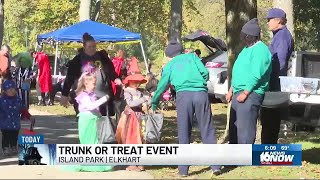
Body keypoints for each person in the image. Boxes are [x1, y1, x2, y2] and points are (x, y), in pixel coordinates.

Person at [151, 40, 221, 177]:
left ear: (169, 55)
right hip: (201, 94)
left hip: (183, 96)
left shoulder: (170, 65)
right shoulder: (193, 57)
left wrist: (154, 102)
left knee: (184, 131)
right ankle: (216, 166)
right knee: (207, 128)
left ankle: (183, 170)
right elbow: (205, 73)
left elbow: (162, 86)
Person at [60, 33, 121, 130]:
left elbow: (111, 72)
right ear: (84, 46)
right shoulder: (77, 60)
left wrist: (117, 79)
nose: (92, 49)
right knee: (90, 123)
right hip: (86, 97)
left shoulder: (103, 57)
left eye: (94, 46)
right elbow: (69, 78)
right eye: (89, 47)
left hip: (103, 95)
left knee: (104, 124)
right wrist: (64, 94)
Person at [226, 18, 272, 144]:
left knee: (245, 128)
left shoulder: (261, 50)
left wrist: (246, 93)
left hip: (250, 94)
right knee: (235, 127)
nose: (241, 38)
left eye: (243, 35)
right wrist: (231, 89)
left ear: (249, 36)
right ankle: (233, 158)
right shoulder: (246, 49)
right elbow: (238, 70)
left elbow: (256, 74)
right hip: (238, 93)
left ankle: (245, 156)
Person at [63, 72, 113, 172]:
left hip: (94, 121)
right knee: (88, 142)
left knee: (95, 142)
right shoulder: (83, 96)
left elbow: (95, 110)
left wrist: (99, 116)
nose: (95, 86)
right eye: (94, 84)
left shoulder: (91, 95)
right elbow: (91, 107)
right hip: (86, 121)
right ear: (86, 83)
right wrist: (104, 99)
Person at [260, 8, 294, 144]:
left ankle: (268, 149)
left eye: (269, 20)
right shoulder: (278, 36)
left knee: (270, 120)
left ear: (278, 20)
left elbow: (280, 62)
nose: (267, 22)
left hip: (275, 85)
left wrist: (272, 83)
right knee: (268, 121)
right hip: (274, 84)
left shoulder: (283, 37)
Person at [116, 59, 150, 172]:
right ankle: (131, 163)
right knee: (131, 139)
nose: (137, 84)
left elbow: (144, 103)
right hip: (130, 119)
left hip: (139, 118)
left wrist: (149, 100)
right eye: (134, 81)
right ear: (129, 81)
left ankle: (139, 161)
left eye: (138, 81)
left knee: (140, 139)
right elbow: (130, 103)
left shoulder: (140, 92)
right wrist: (142, 99)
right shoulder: (127, 91)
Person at [0, 80, 31, 156]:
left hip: (15, 123)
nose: (12, 91)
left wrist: (29, 116)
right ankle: (5, 147)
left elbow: (23, 109)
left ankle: (13, 146)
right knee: (6, 136)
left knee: (14, 136)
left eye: (13, 89)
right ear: (4, 91)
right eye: (10, 89)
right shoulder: (1, 101)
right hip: (5, 123)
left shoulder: (18, 100)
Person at [111, 49, 127, 123]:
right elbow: (124, 74)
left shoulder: (112, 61)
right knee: (119, 105)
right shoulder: (122, 63)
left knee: (114, 103)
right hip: (119, 85)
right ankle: (119, 122)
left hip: (112, 84)